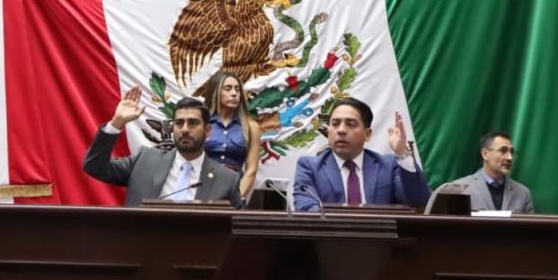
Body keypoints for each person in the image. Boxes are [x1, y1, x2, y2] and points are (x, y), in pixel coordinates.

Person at [82, 86, 242, 208]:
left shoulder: (226, 180)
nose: (185, 129)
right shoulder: (144, 161)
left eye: (193, 123)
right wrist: (117, 123)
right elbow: (94, 166)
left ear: (207, 131)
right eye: (179, 123)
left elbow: (238, 228)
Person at [292, 97, 430, 211]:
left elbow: (418, 200)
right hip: (330, 235)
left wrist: (402, 153)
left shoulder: (388, 166)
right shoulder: (309, 166)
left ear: (367, 134)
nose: (341, 130)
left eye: (350, 124)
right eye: (335, 124)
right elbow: (305, 207)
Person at [438, 131, 533, 213]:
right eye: (503, 151)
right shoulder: (459, 190)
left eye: (512, 152)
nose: (510, 157)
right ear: (485, 154)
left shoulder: (523, 193)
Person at [205, 71, 262, 199]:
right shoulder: (203, 123)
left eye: (237, 89)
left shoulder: (251, 127)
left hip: (234, 186)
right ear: (215, 92)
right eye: (228, 88)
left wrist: (236, 198)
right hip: (203, 186)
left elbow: (251, 170)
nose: (234, 93)